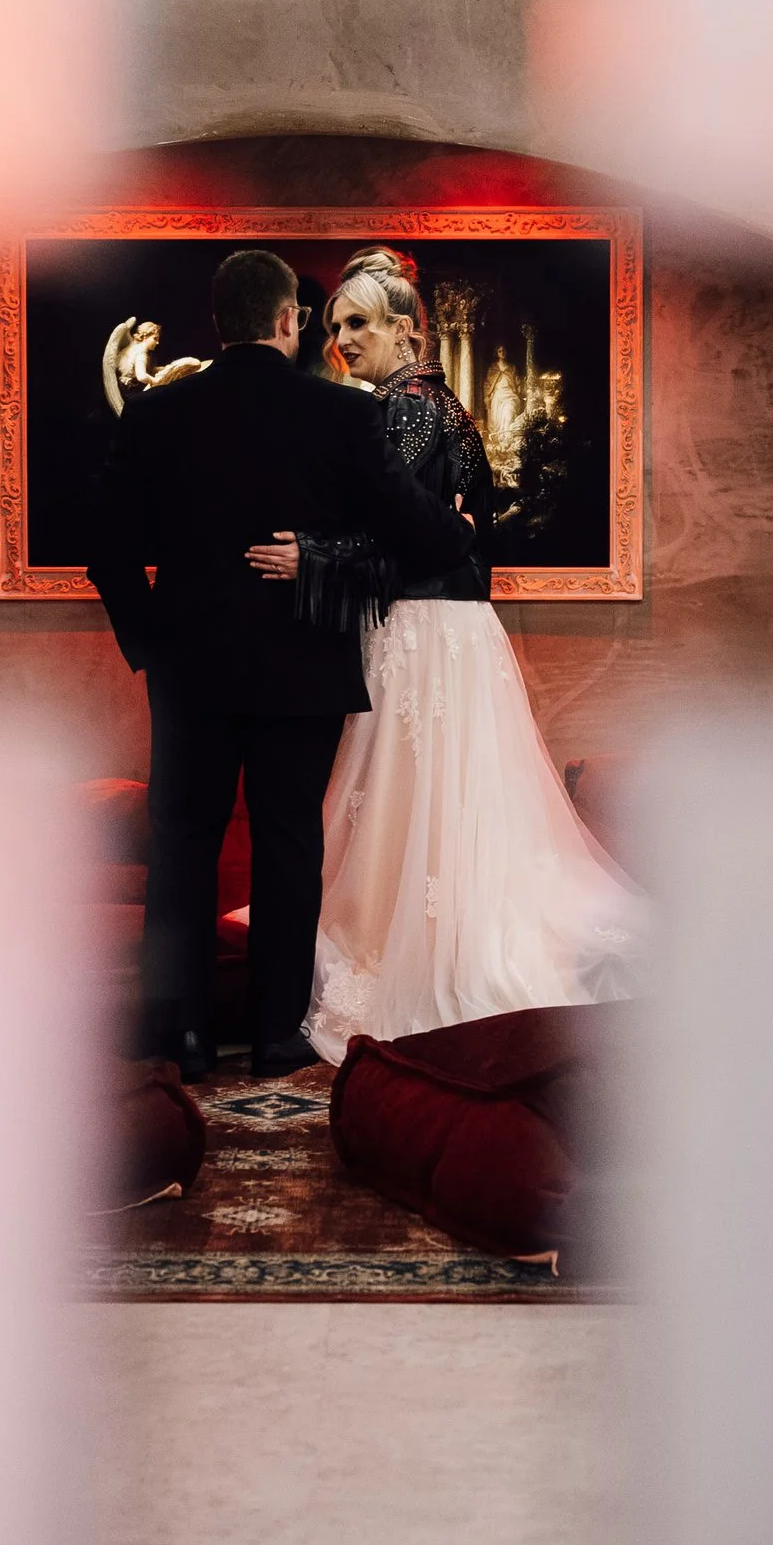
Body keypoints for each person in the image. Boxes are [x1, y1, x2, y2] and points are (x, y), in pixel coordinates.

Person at [85, 245, 481, 1080]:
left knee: (181, 844)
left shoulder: (158, 415)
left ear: (221, 325)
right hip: (301, 665)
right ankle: (274, 1035)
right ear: (287, 321)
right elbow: (426, 533)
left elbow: (107, 551)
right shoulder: (339, 415)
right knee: (289, 846)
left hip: (189, 670)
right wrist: (455, 529)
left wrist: (150, 641)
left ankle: (182, 1038)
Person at [245, 246, 642, 1063]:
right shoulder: (425, 404)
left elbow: (399, 538)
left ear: (405, 329)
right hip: (443, 636)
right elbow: (426, 535)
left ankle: (423, 951)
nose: (342, 341)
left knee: (417, 803)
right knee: (434, 804)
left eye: (358, 324)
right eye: (332, 327)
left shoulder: (408, 409)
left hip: (425, 636)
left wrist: (312, 556)